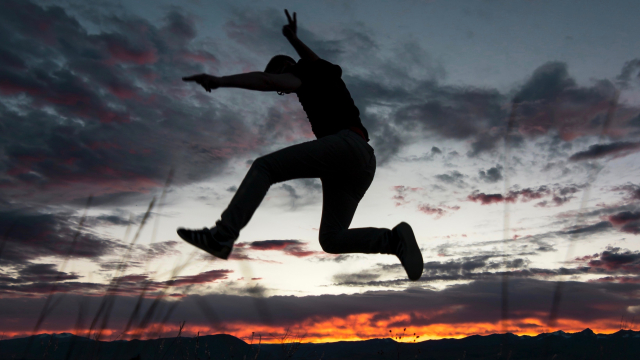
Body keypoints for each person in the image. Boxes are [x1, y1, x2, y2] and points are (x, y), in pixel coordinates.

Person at [178, 10, 423, 280]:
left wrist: (221, 81)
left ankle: (222, 235)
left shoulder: (302, 72)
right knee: (331, 239)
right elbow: (310, 58)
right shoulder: (325, 71)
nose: (284, 90)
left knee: (265, 167)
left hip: (347, 146)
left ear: (285, 69)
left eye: (283, 87)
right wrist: (293, 37)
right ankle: (393, 241)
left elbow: (269, 79)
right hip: (362, 162)